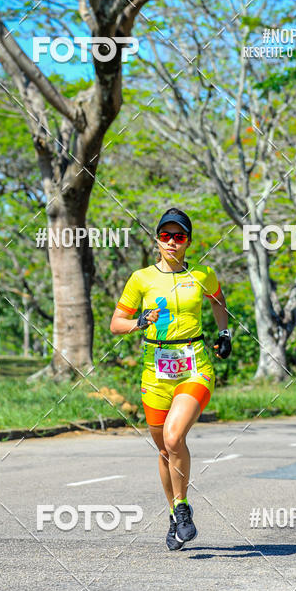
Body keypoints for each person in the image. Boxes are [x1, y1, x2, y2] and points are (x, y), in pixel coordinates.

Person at [110, 207, 231, 551]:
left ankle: (182, 507)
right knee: (164, 449)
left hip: (194, 366)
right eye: (166, 236)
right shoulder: (141, 278)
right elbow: (116, 324)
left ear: (188, 242)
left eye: (179, 237)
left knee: (174, 436)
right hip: (155, 372)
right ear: (157, 240)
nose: (172, 242)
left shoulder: (202, 274)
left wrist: (224, 332)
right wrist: (139, 323)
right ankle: (174, 514)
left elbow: (218, 300)